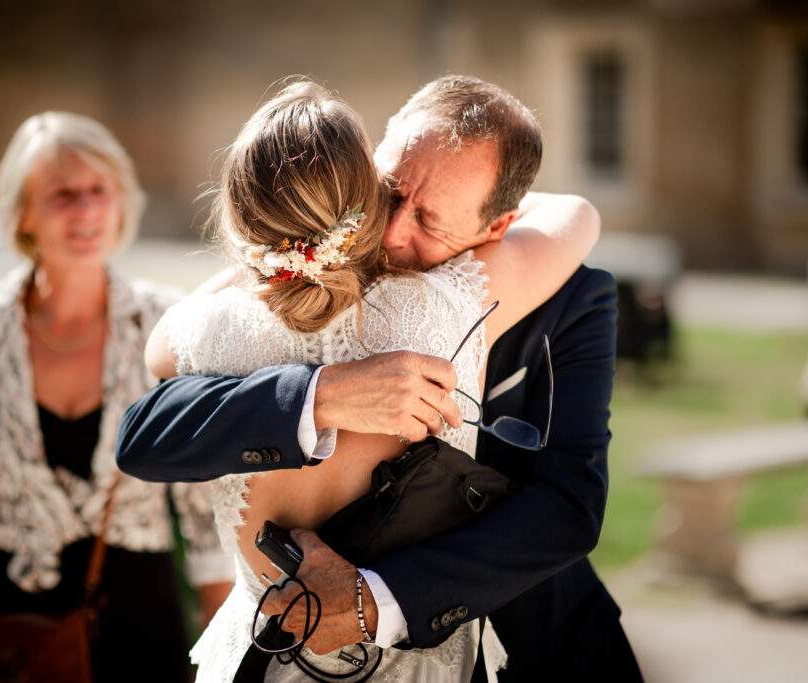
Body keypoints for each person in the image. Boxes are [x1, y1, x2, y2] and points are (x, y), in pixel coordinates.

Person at [119, 76, 642, 680]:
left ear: (499, 226)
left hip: (522, 642)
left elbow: (567, 506)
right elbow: (148, 428)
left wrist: (375, 602)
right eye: (389, 192)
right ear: (372, 156)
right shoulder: (294, 280)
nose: (392, 234)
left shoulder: (569, 296)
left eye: (430, 220)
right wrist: (323, 394)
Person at [0, 112, 233, 683]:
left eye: (98, 191)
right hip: (15, 623)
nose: (85, 211)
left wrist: (227, 660)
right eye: (62, 195)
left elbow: (201, 508)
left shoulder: (166, 322)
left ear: (121, 204)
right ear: (24, 214)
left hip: (142, 624)